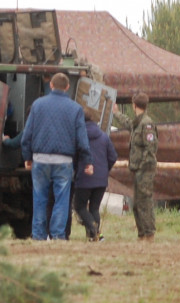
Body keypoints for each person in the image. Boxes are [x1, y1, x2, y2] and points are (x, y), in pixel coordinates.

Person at [20, 72, 93, 240]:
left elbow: (26, 136)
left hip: (40, 159)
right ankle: (58, 235)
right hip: (64, 161)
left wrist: (27, 157)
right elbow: (82, 140)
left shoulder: (37, 105)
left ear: (51, 85)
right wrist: (87, 161)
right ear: (67, 88)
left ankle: (38, 236)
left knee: (39, 199)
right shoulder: (75, 109)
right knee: (61, 199)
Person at [117, 92, 158, 241]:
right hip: (138, 169)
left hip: (145, 169)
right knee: (137, 204)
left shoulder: (146, 124)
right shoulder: (138, 122)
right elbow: (129, 124)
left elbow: (150, 148)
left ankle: (149, 234)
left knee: (144, 202)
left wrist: (141, 166)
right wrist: (116, 113)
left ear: (134, 105)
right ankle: (142, 234)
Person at [73, 109, 117, 242]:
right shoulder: (104, 136)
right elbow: (113, 156)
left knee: (79, 206)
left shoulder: (78, 136)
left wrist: (75, 170)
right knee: (94, 208)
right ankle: (94, 237)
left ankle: (94, 229)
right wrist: (104, 170)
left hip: (84, 177)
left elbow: (75, 157)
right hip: (101, 180)